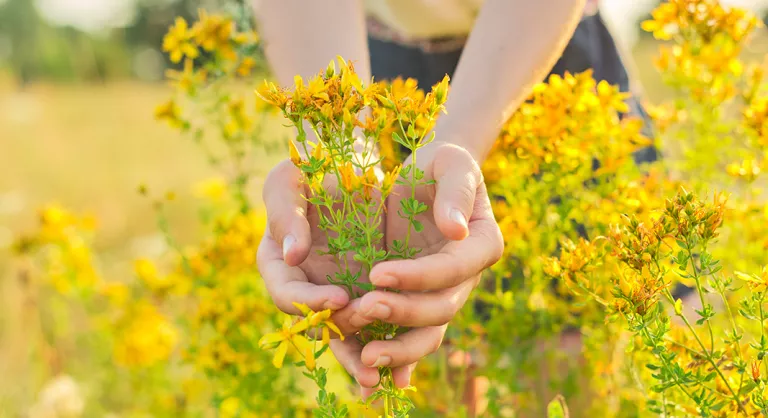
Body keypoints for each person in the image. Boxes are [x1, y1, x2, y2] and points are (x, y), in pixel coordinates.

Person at [252, 0, 674, 402]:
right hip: (371, 63)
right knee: (410, 364)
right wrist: (335, 154)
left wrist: (459, 143)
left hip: (541, 54)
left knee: (566, 364)